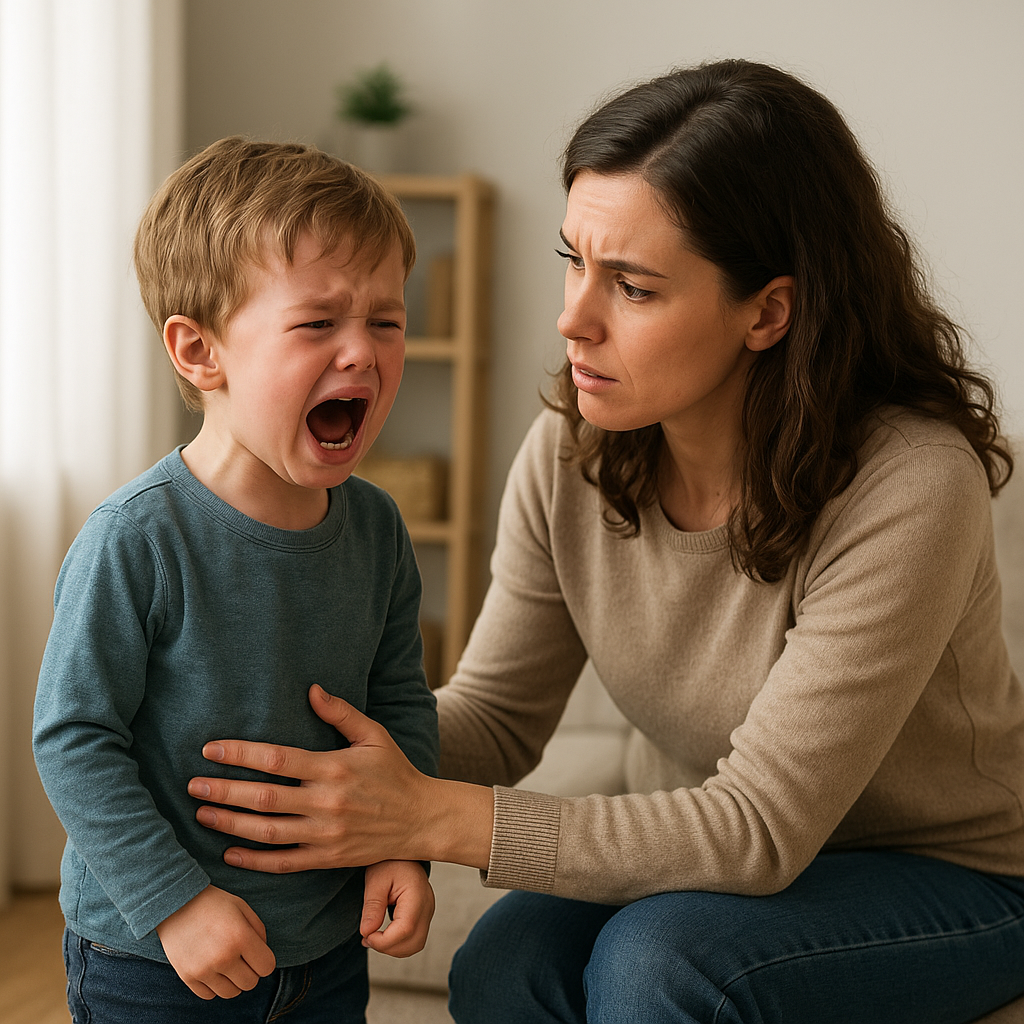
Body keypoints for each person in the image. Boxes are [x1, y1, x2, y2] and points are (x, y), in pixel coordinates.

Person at [184, 61, 1024, 1023]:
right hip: (700, 858)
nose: (572, 319)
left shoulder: (912, 483)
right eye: (573, 261)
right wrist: (277, 758)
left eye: (630, 286)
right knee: (503, 965)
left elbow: (758, 829)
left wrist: (425, 814)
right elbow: (498, 717)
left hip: (948, 878)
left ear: (768, 311)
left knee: (659, 965)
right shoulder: (573, 452)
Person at [32, 137, 439, 1024]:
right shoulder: (135, 538)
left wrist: (402, 847)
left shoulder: (376, 529)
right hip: (156, 960)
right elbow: (73, 738)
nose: (362, 353)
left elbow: (399, 701)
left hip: (327, 951)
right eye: (318, 322)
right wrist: (177, 904)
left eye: (385, 321)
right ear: (199, 351)